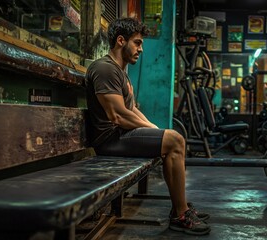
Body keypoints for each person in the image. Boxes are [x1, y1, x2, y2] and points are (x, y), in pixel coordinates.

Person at [85, 17, 211, 236]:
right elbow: (118, 115)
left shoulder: (121, 73)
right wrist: (159, 133)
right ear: (121, 41)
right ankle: (180, 214)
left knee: (173, 139)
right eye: (137, 43)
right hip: (109, 141)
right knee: (175, 140)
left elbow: (131, 110)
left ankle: (179, 208)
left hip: (121, 136)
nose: (141, 49)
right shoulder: (104, 69)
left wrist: (154, 128)